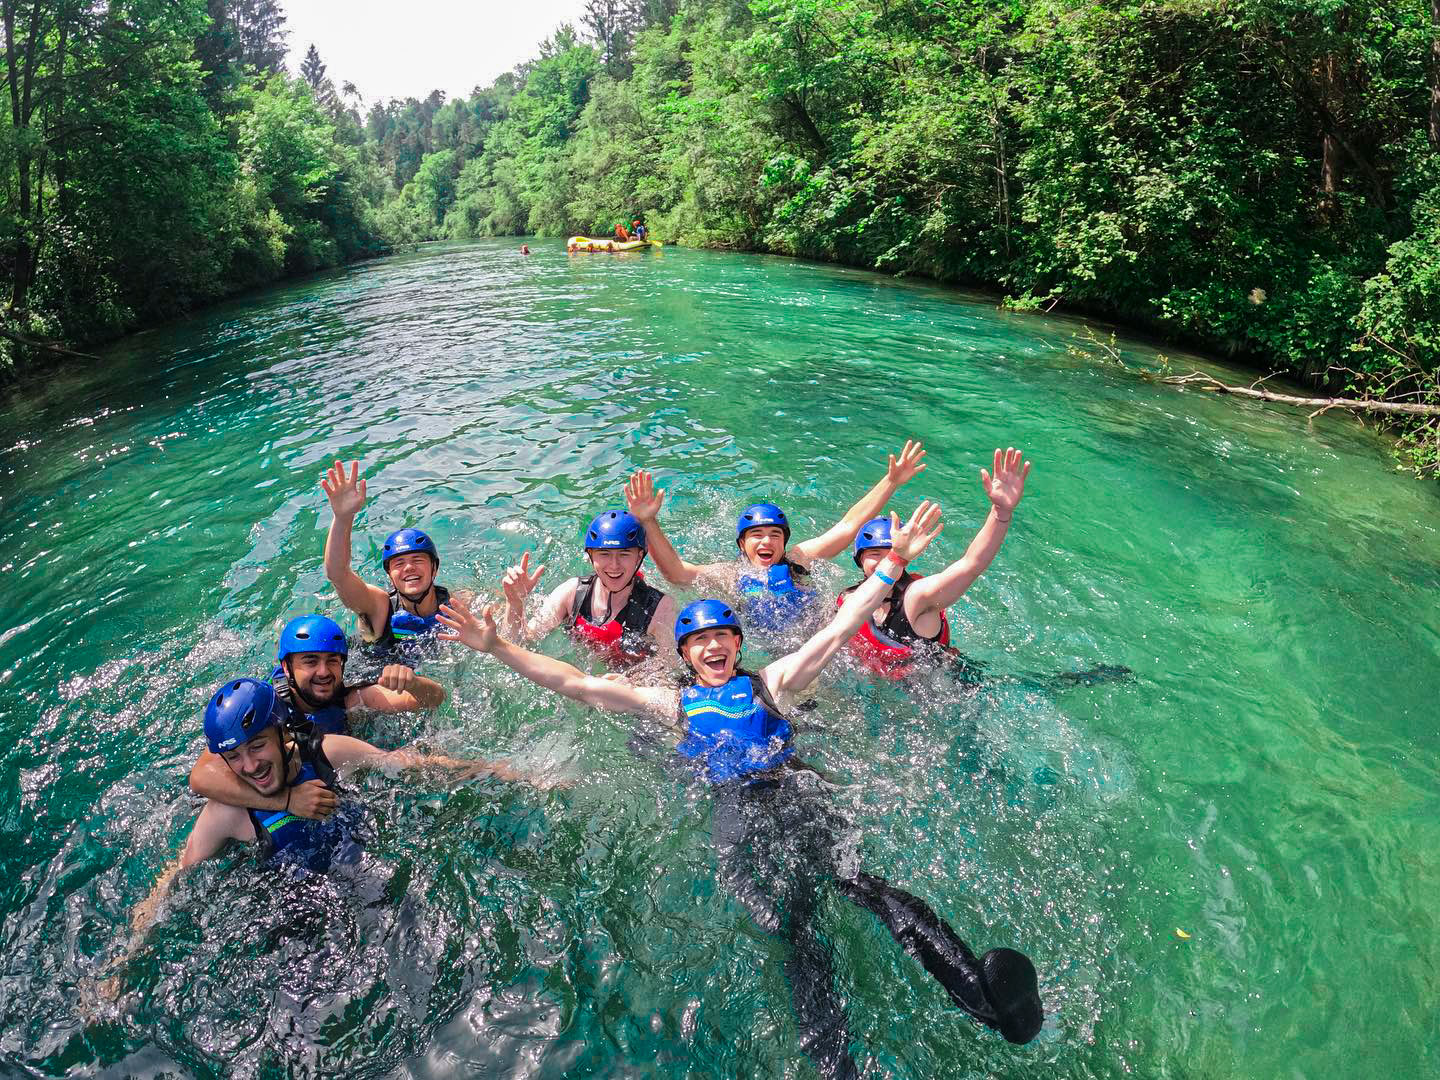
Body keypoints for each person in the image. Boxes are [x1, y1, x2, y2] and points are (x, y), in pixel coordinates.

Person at [436, 501, 1045, 1076]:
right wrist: (498, 645)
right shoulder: (669, 704)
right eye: (700, 640)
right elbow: (575, 683)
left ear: (737, 645)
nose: (713, 646)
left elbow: (843, 626)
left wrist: (891, 565)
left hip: (793, 789)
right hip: (735, 807)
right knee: (791, 923)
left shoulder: (773, 682)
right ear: (685, 653)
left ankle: (984, 996)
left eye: (722, 637)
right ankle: (837, 1066)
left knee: (859, 884)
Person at [113, 678, 541, 975]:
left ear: (282, 734)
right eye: (235, 757)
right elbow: (176, 877)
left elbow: (412, 766)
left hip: (362, 868)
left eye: (257, 746)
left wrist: (507, 775)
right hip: (286, 905)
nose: (250, 767)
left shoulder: (327, 754)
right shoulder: (226, 813)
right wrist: (125, 960)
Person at [624, 440, 928, 631]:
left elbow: (848, 527)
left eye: (774, 535)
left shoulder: (799, 560)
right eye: (756, 535)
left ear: (784, 541)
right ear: (742, 544)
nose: (766, 541)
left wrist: (890, 481)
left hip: (818, 637)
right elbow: (675, 572)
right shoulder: (729, 576)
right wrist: (648, 522)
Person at [840, 447, 1029, 679]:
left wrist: (1001, 512)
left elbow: (971, 565)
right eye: (874, 554)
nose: (884, 562)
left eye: (891, 553)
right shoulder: (848, 599)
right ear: (859, 560)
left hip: (949, 690)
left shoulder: (916, 598)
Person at [500, 510, 677, 669]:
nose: (614, 565)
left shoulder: (659, 609)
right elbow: (519, 643)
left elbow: (671, 671)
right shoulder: (571, 593)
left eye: (624, 554)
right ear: (590, 556)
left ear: (639, 557)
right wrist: (515, 603)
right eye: (604, 554)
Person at [321, 459, 459, 659]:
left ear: (434, 569)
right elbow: (338, 574)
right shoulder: (379, 607)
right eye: (399, 563)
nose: (409, 567)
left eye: (418, 560)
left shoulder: (455, 603)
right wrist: (343, 517)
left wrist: (515, 602)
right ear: (390, 576)